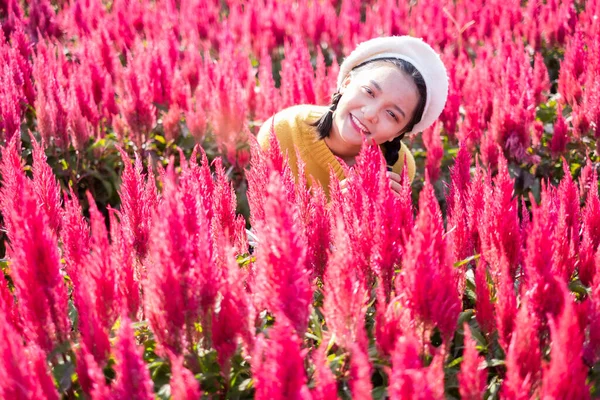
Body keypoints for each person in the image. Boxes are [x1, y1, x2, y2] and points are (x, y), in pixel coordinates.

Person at [257, 36, 449, 197]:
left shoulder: (401, 165)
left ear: (400, 133)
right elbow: (268, 227)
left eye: (391, 114)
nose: (370, 113)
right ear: (346, 83)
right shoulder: (280, 134)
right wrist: (336, 208)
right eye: (369, 92)